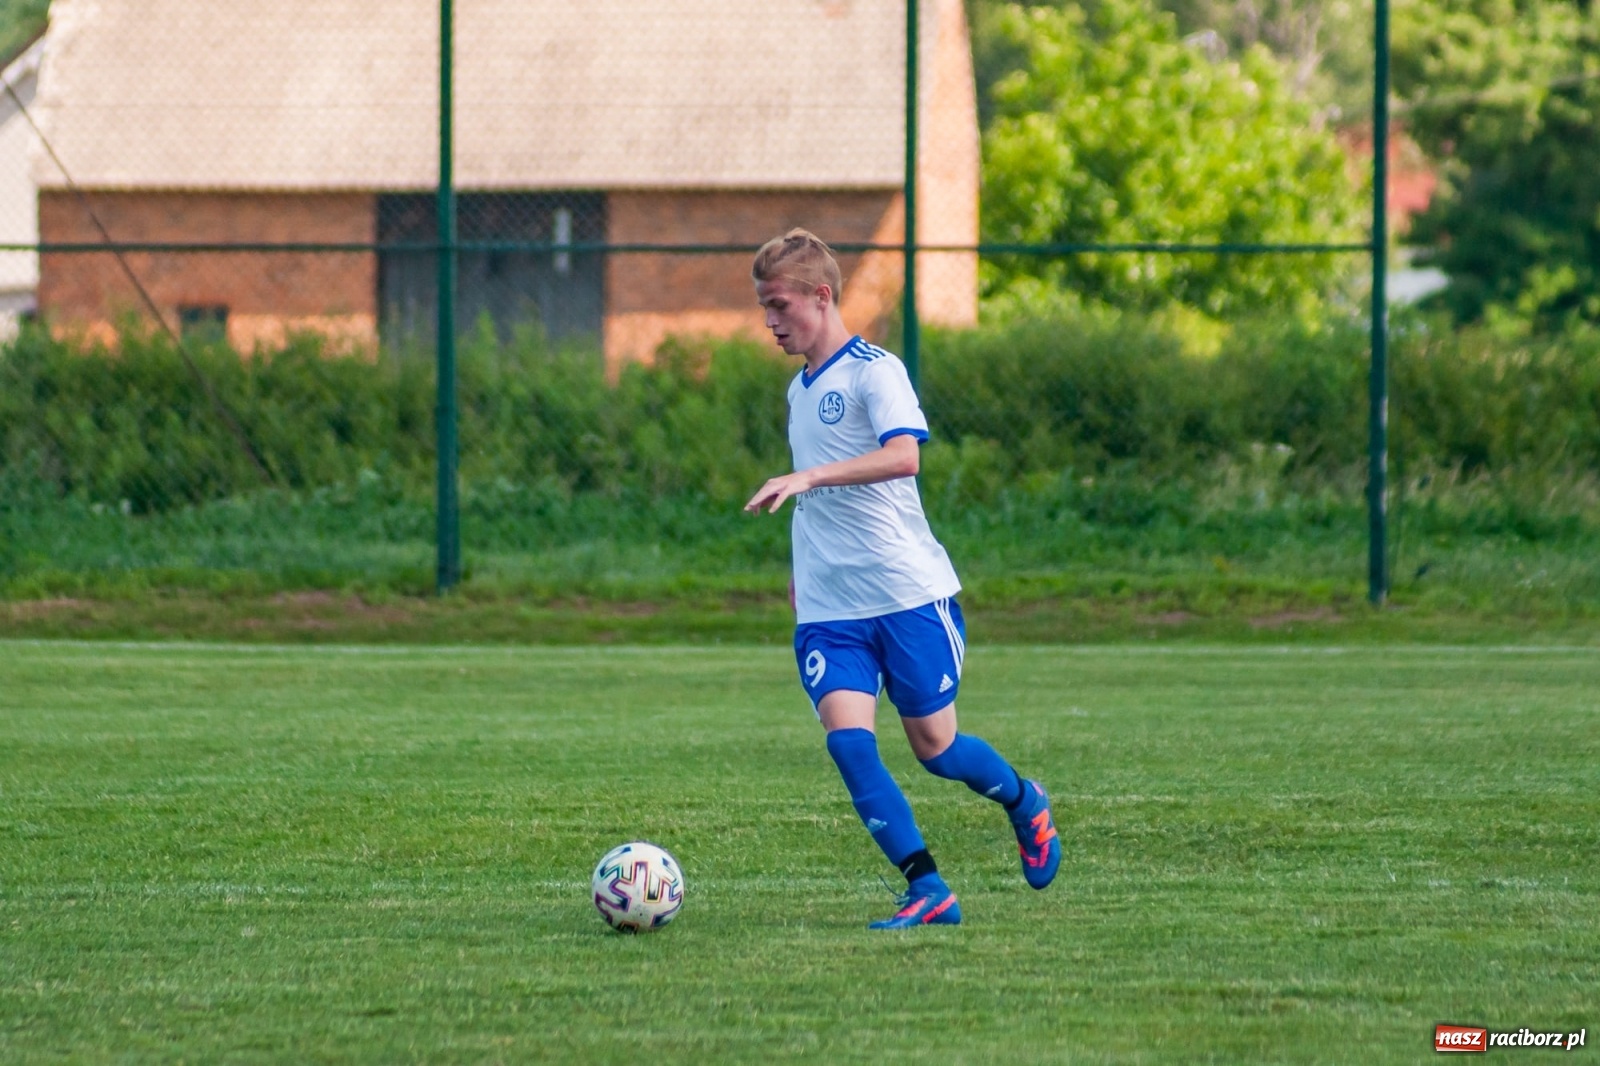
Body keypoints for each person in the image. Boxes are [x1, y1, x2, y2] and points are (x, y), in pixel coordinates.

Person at [744, 229, 1060, 929]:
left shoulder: (873, 372)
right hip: (832, 610)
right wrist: (803, 575)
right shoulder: (800, 391)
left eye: (779, 305)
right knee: (849, 741)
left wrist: (807, 477)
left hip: (909, 595)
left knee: (936, 750)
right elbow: (822, 506)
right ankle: (928, 887)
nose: (770, 321)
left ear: (821, 298)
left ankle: (1023, 801)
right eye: (764, 307)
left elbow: (903, 458)